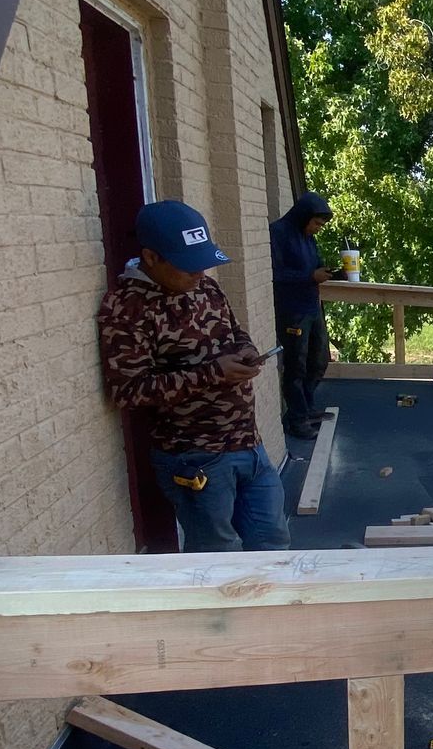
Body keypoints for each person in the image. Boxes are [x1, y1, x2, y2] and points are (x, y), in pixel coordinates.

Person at [98, 198, 289, 553]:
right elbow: (128, 390)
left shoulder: (204, 287)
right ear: (151, 258)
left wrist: (245, 349)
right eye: (188, 267)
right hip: (195, 458)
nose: (199, 274)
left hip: (248, 443)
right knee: (218, 558)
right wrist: (213, 374)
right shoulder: (127, 308)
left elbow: (235, 330)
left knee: (272, 542)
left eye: (202, 264)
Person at [269, 190, 334, 439]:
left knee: (318, 361)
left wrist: (326, 271)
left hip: (312, 307)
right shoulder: (278, 233)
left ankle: (308, 407)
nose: (317, 228)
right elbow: (275, 274)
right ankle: (298, 420)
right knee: (296, 366)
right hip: (292, 311)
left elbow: (315, 263)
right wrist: (309, 277)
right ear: (303, 216)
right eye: (316, 223)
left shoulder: (308, 237)